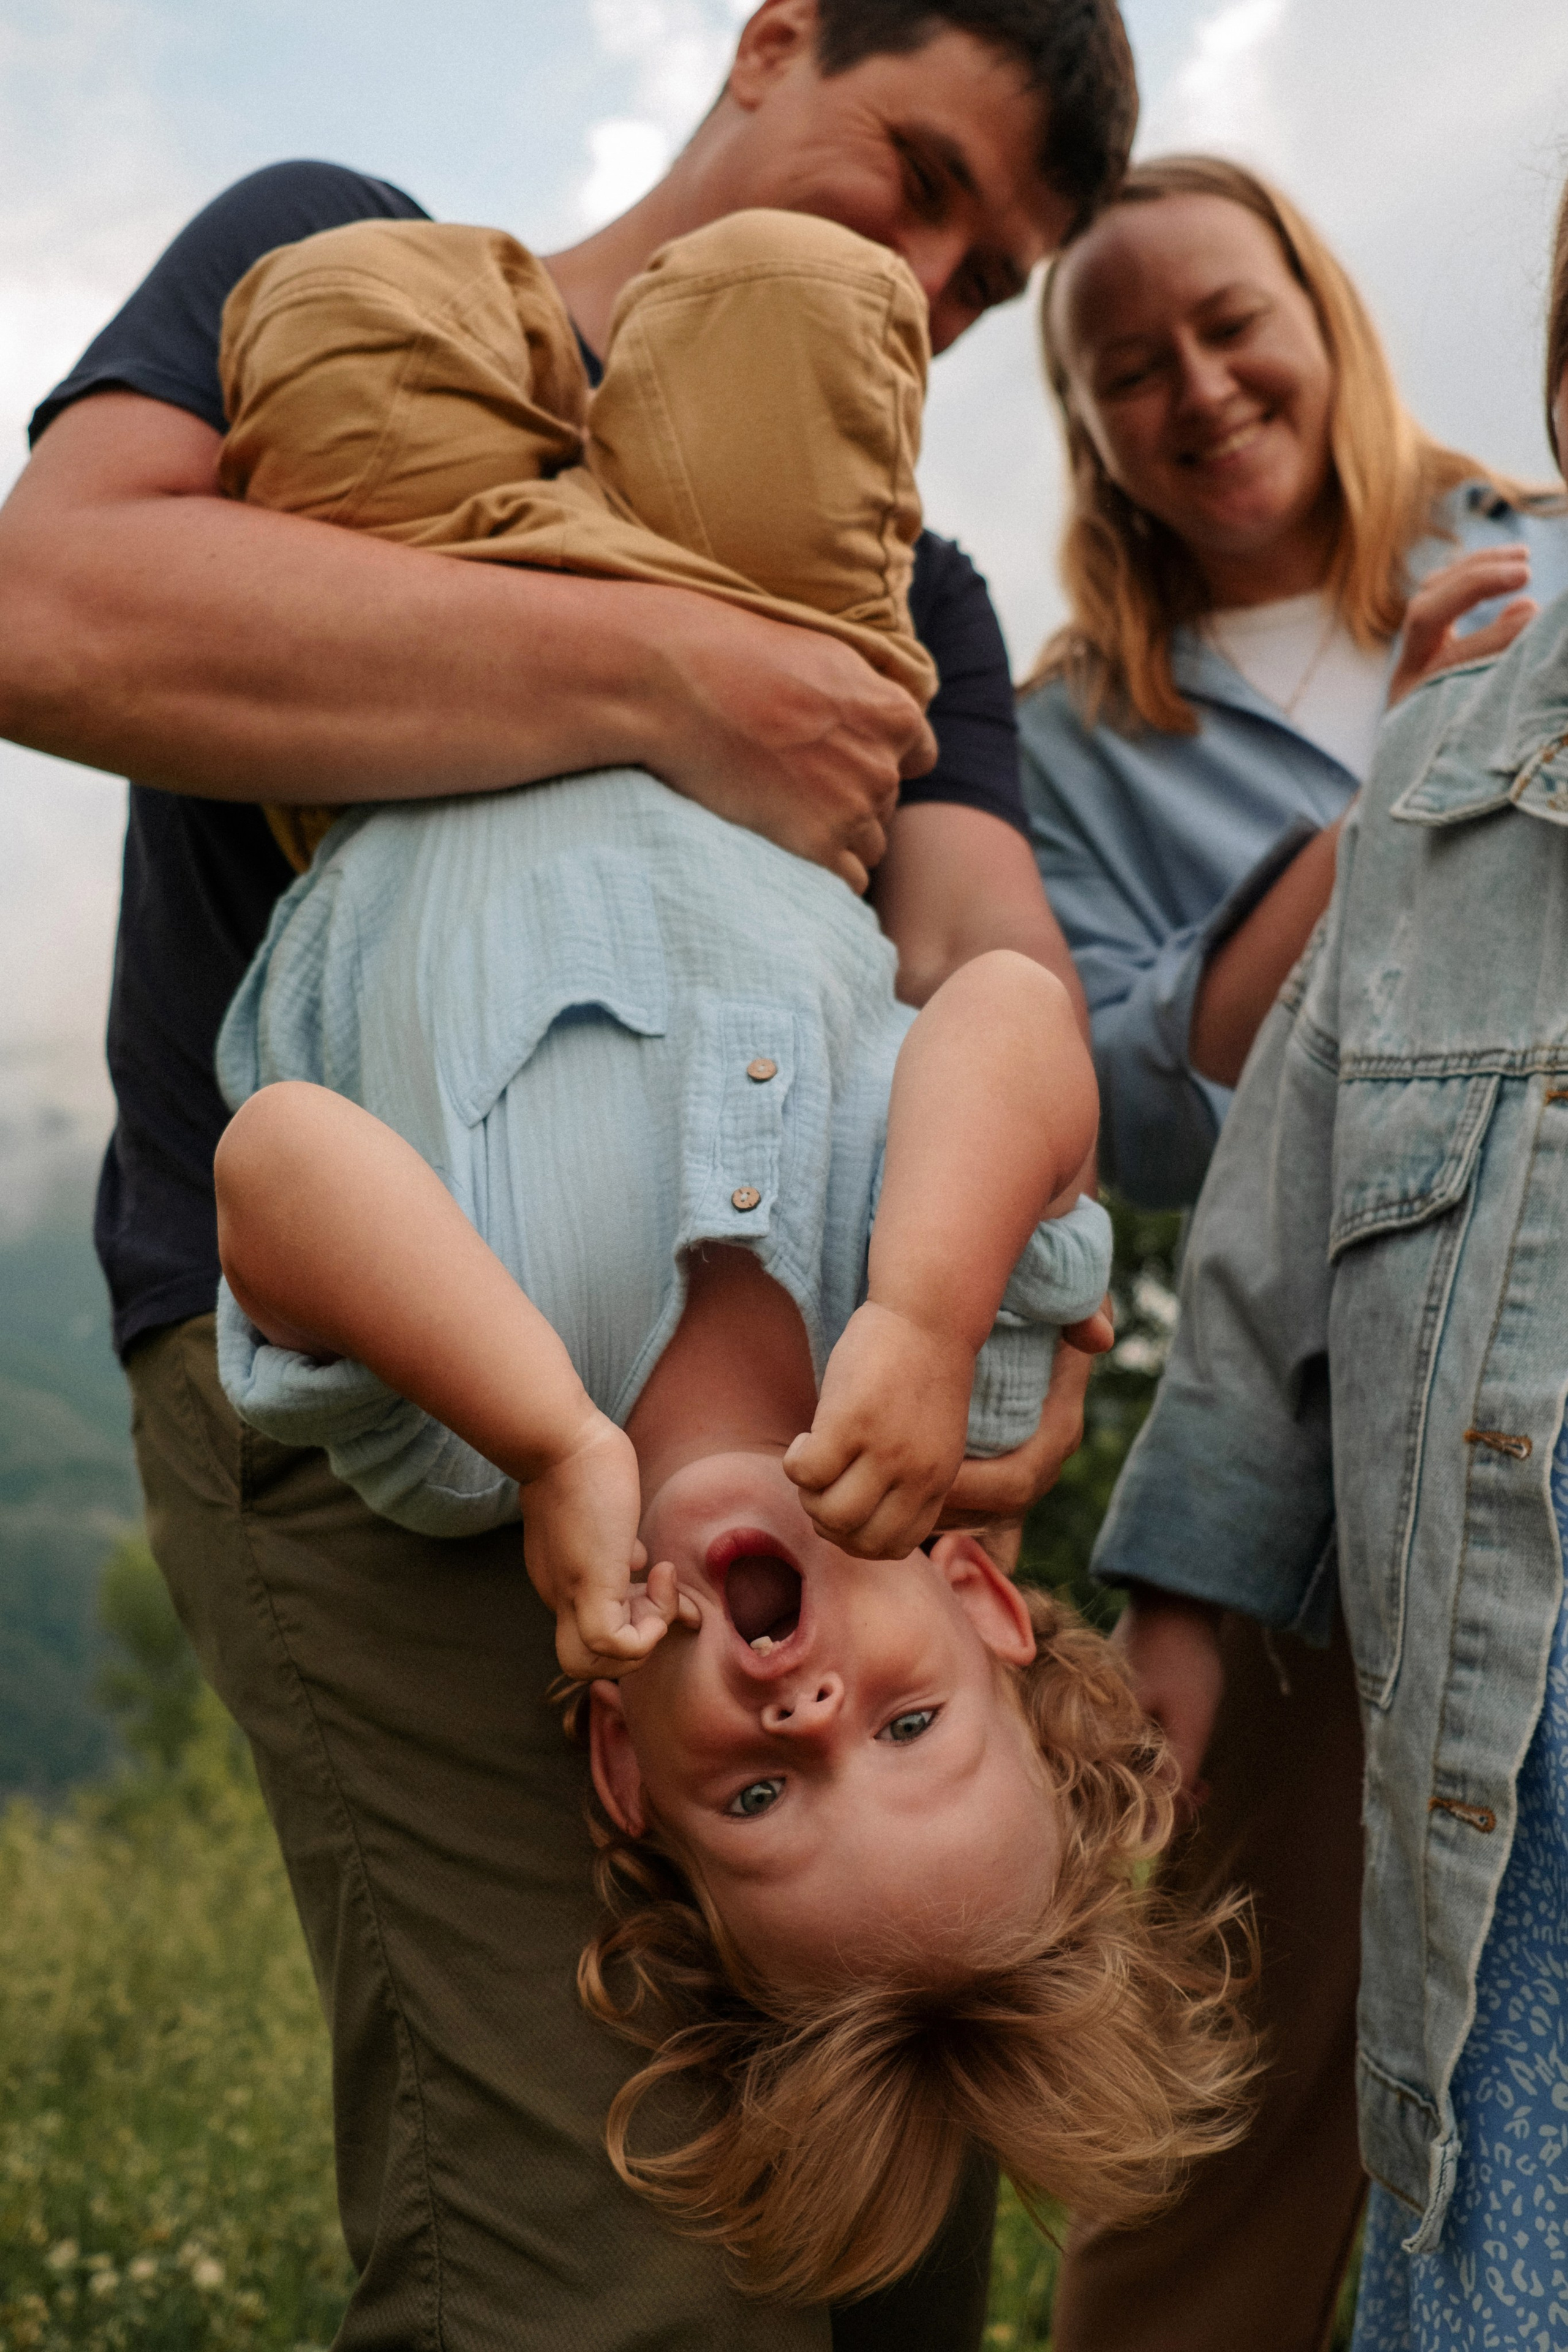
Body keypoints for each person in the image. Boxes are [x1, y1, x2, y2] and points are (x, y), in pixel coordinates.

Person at [0, 5, 1140, 2345]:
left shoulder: (908, 594)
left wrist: (991, 1263)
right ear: (776, 40)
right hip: (367, 1399)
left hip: (620, 1376)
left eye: (991, 279)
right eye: (924, 178)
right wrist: (679, 684)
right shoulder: (321, 251)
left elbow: (985, 964)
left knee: (878, 2168)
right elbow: (54, 612)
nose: (934, 286)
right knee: (600, 2250)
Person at [199, 209, 1247, 2294]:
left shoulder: (462, 1443)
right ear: (982, 1601)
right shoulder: (950, 1344)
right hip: (763, 643)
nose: (807, 1705)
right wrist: (926, 1309)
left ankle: (518, 381)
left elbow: (277, 1162)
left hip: (418, 664)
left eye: (762, 1804)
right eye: (908, 1731)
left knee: (330, 308)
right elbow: (1010, 1018)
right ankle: (634, 372)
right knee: (799, 295)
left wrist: (551, 1434)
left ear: (625, 1767)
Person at [1014, 156, 1568, 2352]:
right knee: (1237, 2057)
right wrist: (1386, 816)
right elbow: (1118, 1095)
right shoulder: (1078, 729)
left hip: (1536, 1340)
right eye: (1127, 366)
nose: (1200, 387)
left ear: (1321, 308)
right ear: (1085, 425)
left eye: (1230, 322)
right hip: (1299, 1409)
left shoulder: (1530, 541)